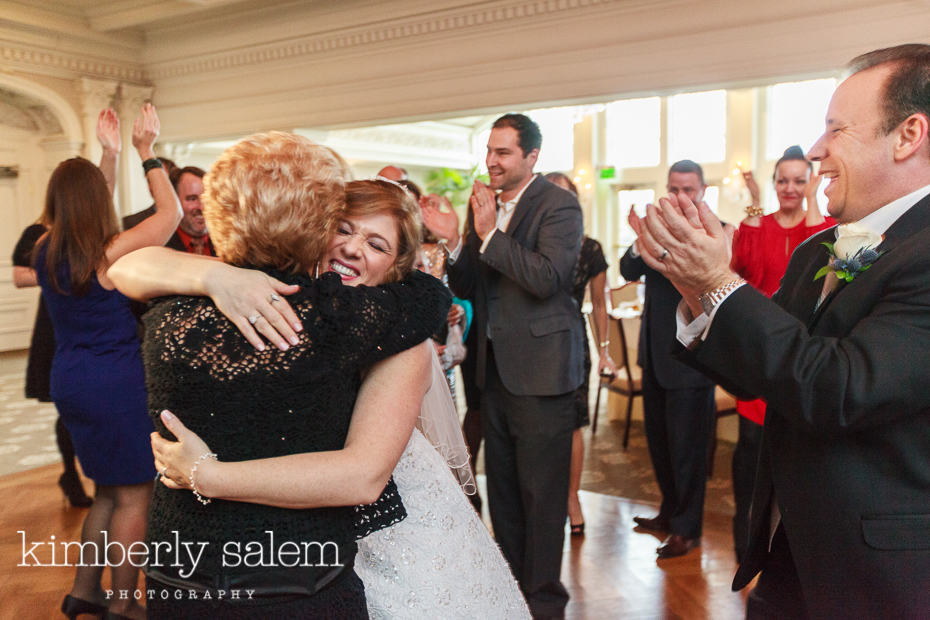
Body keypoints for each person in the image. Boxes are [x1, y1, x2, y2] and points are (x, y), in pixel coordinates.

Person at [119, 178, 529, 619]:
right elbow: (124, 268)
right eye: (344, 229)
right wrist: (215, 274)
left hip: (382, 535)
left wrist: (207, 474)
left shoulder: (399, 332)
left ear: (395, 269)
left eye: (376, 243)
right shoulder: (272, 295)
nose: (353, 249)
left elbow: (363, 478)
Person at [631, 44, 930, 618]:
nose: (816, 151)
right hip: (785, 550)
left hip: (884, 575)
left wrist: (719, 281)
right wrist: (696, 289)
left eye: (835, 129)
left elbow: (841, 389)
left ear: (908, 135)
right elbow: (770, 366)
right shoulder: (820, 247)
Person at [423, 113, 584, 617]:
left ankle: (544, 601)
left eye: (504, 153)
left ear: (532, 157)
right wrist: (455, 241)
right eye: (489, 151)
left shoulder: (559, 206)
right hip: (492, 373)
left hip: (542, 375)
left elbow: (547, 278)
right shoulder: (484, 209)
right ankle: (509, 592)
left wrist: (489, 234)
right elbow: (471, 284)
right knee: (506, 493)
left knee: (543, 497)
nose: (491, 162)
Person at [34, 104, 181, 620]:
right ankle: (123, 603)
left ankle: (84, 592)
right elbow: (172, 215)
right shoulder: (110, 251)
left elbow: (86, 206)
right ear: (99, 201)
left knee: (106, 493)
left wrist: (108, 153)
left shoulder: (46, 248)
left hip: (71, 379)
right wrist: (144, 153)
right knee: (135, 497)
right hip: (115, 382)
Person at [728, 146, 836, 563]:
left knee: (795, 457)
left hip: (802, 351)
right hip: (758, 349)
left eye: (798, 180)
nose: (789, 188)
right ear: (774, 184)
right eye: (783, 180)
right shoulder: (757, 226)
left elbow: (818, 252)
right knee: (751, 454)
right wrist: (754, 199)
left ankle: (792, 551)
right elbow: (745, 270)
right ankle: (745, 545)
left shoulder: (825, 227)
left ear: (810, 182)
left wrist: (811, 201)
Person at [619, 160, 718, 559]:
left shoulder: (710, 233)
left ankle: (687, 530)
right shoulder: (653, 231)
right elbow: (629, 267)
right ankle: (668, 511)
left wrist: (648, 236)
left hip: (691, 361)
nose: (680, 197)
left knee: (688, 450)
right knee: (659, 444)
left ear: (703, 192)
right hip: (655, 355)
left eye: (688, 190)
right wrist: (640, 238)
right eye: (674, 189)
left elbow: (682, 268)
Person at [544, 171, 617, 536]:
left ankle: (572, 497)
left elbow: (600, 305)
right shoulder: (527, 247)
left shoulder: (590, 249)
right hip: (533, 346)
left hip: (572, 345)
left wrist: (605, 351)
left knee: (573, 424)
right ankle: (542, 500)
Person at [12, 223, 92, 508]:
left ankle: (94, 471)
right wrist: (60, 274)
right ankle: (71, 473)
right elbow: (19, 276)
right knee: (67, 410)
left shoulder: (93, 229)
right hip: (56, 326)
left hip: (91, 324)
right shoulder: (38, 232)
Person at [121, 157, 178, 229]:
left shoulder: (189, 218)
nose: (152, 186)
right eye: (149, 180)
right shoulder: (131, 222)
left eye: (159, 181)